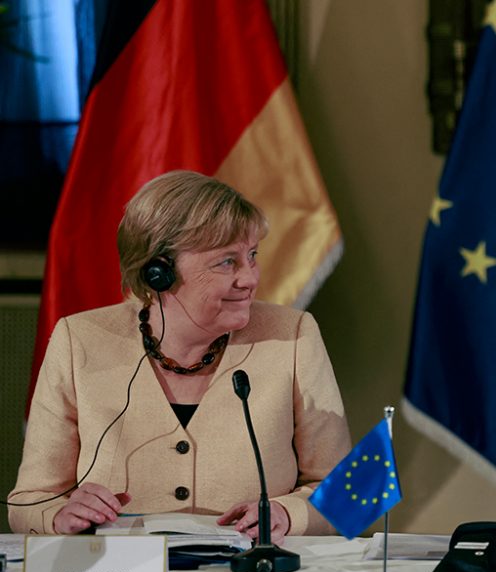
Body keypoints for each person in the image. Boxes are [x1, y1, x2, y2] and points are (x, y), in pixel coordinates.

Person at [8, 171, 352, 541]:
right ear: (160, 273)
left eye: (252, 256)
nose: (250, 278)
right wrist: (61, 515)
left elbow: (343, 492)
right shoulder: (79, 340)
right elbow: (30, 501)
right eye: (227, 262)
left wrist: (288, 513)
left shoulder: (293, 335)